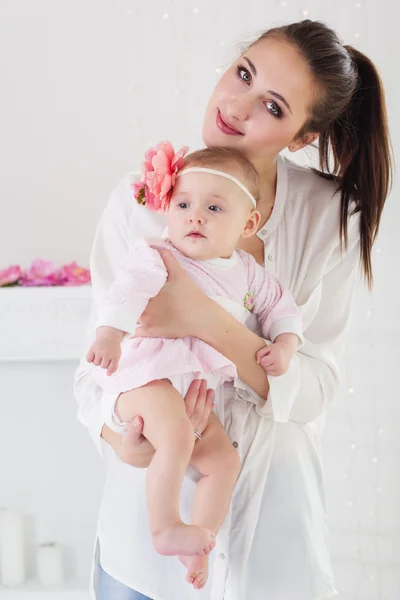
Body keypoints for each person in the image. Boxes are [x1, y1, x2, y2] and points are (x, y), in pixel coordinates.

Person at [74, 19, 392, 600]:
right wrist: (120, 434)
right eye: (243, 73)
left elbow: (317, 383)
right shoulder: (140, 200)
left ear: (300, 137)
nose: (237, 106)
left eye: (272, 106)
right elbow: (92, 370)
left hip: (273, 532)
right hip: (142, 551)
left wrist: (205, 321)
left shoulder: (328, 219)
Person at [86, 145, 303, 589]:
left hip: (190, 390)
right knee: (177, 434)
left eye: (214, 207)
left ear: (248, 224)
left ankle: (196, 543)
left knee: (223, 460)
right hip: (145, 376)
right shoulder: (159, 255)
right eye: (183, 204)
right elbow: (124, 294)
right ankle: (164, 526)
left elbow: (283, 307)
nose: (195, 216)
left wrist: (284, 343)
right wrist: (109, 333)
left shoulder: (247, 272)